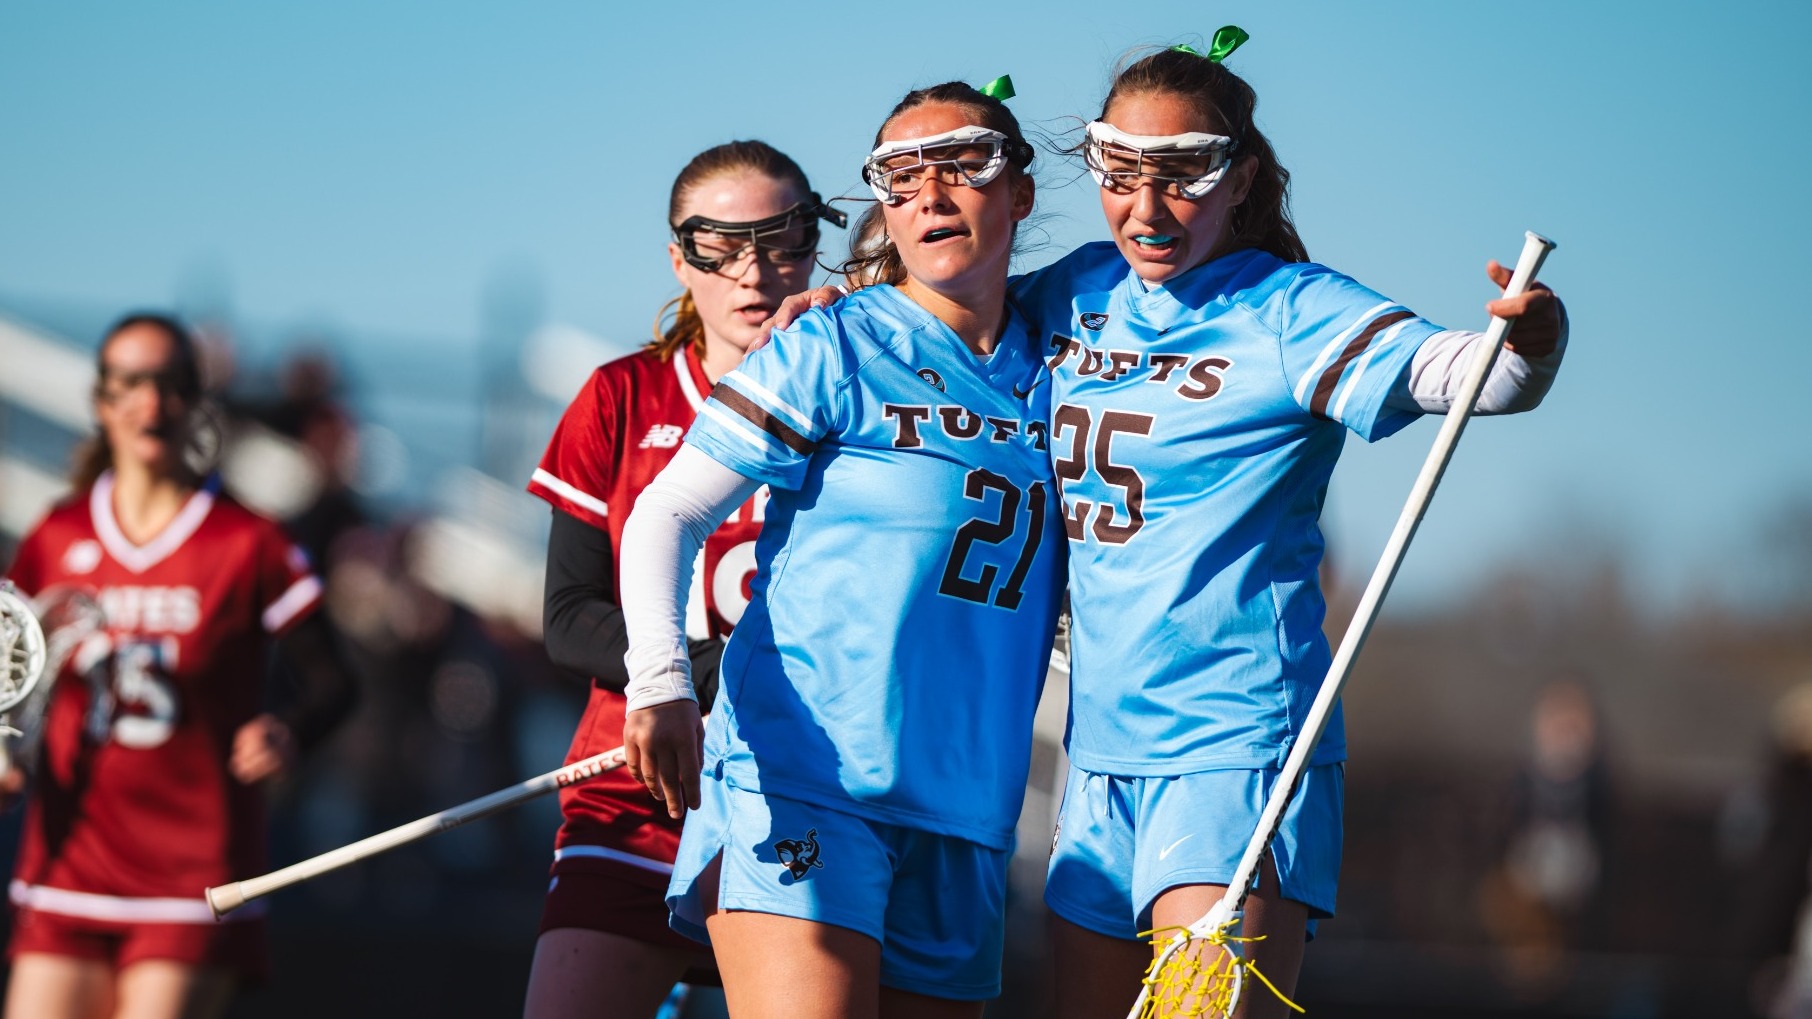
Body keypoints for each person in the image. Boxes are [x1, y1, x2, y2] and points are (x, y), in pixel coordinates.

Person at [765, 31, 1568, 1018]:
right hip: (1099, 756)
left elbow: (1477, 376)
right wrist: (836, 309)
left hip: (1236, 744)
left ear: (1242, 178)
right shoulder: (1076, 290)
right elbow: (938, 311)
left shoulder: (1292, 311)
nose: (1148, 209)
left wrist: (1530, 339)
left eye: (1184, 175)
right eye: (1120, 173)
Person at [618, 81, 1064, 1018]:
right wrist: (658, 681)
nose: (932, 194)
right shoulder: (832, 341)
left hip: (966, 808)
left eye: (962, 165)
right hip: (810, 780)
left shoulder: (1070, 359)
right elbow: (664, 514)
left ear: (1021, 193)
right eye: (901, 177)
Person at [520, 140, 845, 1019]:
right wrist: (706, 674)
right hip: (643, 779)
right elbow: (567, 616)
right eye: (722, 247)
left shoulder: (861, 390)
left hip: (809, 785)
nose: (756, 273)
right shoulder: (622, 396)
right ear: (679, 258)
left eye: (783, 243)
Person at [0, 313, 357, 1019]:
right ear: (102, 402)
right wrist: (8, 752)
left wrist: (289, 730)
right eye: (130, 382)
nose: (151, 402)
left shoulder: (247, 540)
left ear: (197, 401)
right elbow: (16, 679)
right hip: (66, 865)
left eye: (169, 383)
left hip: (192, 876)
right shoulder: (55, 535)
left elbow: (337, 681)